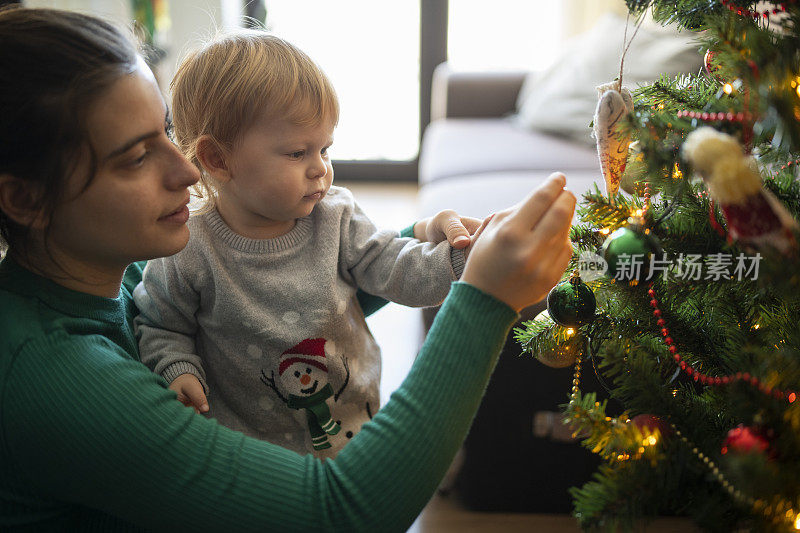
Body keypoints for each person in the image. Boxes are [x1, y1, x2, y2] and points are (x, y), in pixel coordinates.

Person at [0, 7, 575, 531]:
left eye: (166, 135)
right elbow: (343, 514)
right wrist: (484, 299)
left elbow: (302, 290)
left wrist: (426, 246)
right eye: (135, 157)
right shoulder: (58, 376)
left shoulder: (113, 274)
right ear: (24, 199)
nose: (187, 171)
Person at [133, 31, 477, 456]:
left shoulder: (335, 216)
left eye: (325, 149)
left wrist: (462, 263)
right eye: (297, 153)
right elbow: (161, 322)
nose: (320, 170)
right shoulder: (190, 246)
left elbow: (392, 264)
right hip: (251, 454)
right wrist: (176, 367)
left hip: (355, 431)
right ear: (218, 160)